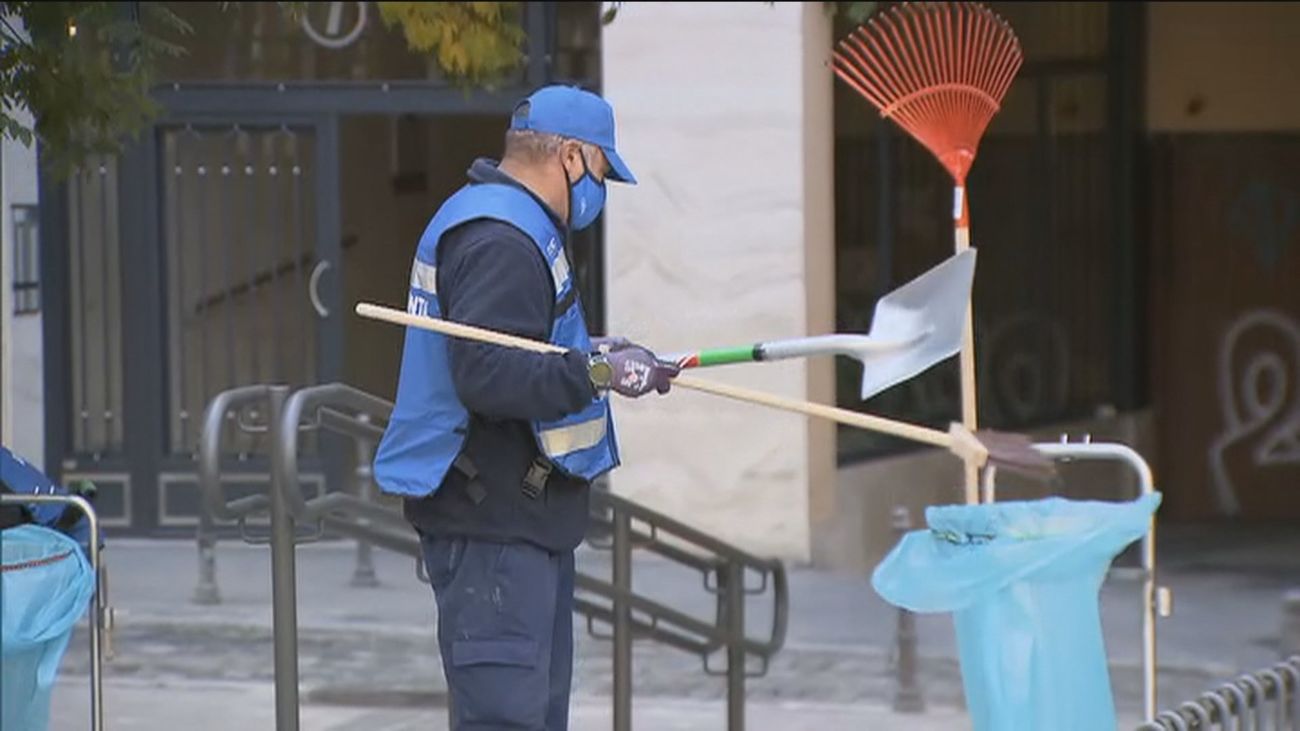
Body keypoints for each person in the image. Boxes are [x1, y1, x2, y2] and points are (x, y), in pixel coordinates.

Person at [372, 84, 679, 730]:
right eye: (599, 171)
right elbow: (488, 373)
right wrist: (598, 373)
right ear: (569, 155)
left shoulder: (506, 223)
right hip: (494, 530)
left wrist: (599, 352)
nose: (598, 190)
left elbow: (522, 345)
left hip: (515, 525)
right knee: (507, 719)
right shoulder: (501, 239)